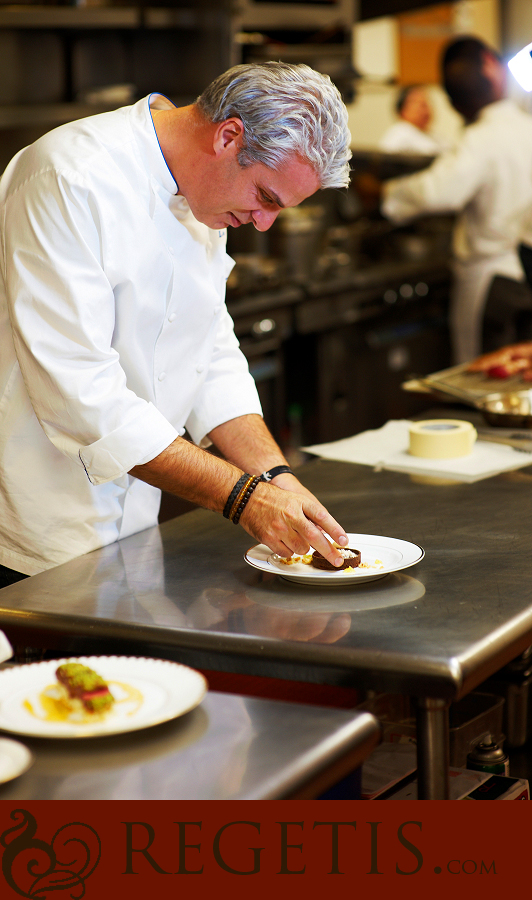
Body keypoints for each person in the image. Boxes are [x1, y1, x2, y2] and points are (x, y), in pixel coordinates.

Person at [0, 62, 352, 585]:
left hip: (137, 528)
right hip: (36, 534)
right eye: (266, 198)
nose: (263, 223)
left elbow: (207, 345)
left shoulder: (205, 189)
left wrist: (276, 480)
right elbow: (80, 395)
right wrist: (244, 499)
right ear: (229, 136)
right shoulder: (68, 177)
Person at [380, 37, 532, 364]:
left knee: (481, 376)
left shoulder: (481, 138)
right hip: (523, 275)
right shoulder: (525, 127)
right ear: (494, 71)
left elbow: (438, 191)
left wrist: (384, 194)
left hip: (491, 281)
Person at [379, 84, 443, 156]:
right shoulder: (398, 135)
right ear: (402, 110)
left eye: (426, 103)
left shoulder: (435, 137)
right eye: (417, 103)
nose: (425, 109)